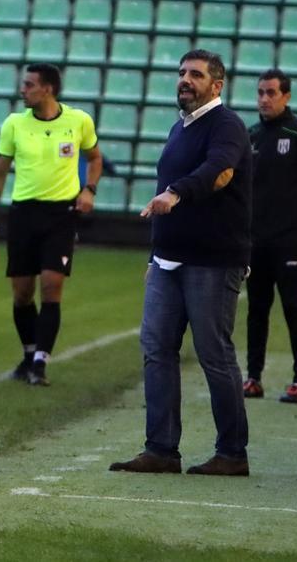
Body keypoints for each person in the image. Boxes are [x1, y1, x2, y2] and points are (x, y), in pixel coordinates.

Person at [110, 49, 252, 477]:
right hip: (168, 261)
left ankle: (232, 453)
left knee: (214, 354)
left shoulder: (227, 125)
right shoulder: (180, 127)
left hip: (212, 261)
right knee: (156, 350)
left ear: (217, 85)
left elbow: (220, 172)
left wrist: (177, 192)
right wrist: (154, 255)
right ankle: (161, 449)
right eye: (182, 73)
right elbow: (160, 190)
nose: (185, 80)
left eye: (195, 74)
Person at [0, 64, 103, 386]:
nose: (23, 90)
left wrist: (89, 189)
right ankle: (28, 352)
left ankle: (40, 362)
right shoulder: (15, 124)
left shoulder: (79, 121)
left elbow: (95, 156)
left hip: (60, 215)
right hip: (23, 215)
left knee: (51, 285)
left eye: (29, 85)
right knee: (21, 293)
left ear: (47, 89)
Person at [244, 68, 297, 404]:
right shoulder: (251, 136)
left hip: (291, 239)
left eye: (271, 93)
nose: (264, 99)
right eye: (260, 93)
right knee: (256, 309)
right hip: (256, 240)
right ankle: (253, 378)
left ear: (286, 96)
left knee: (294, 308)